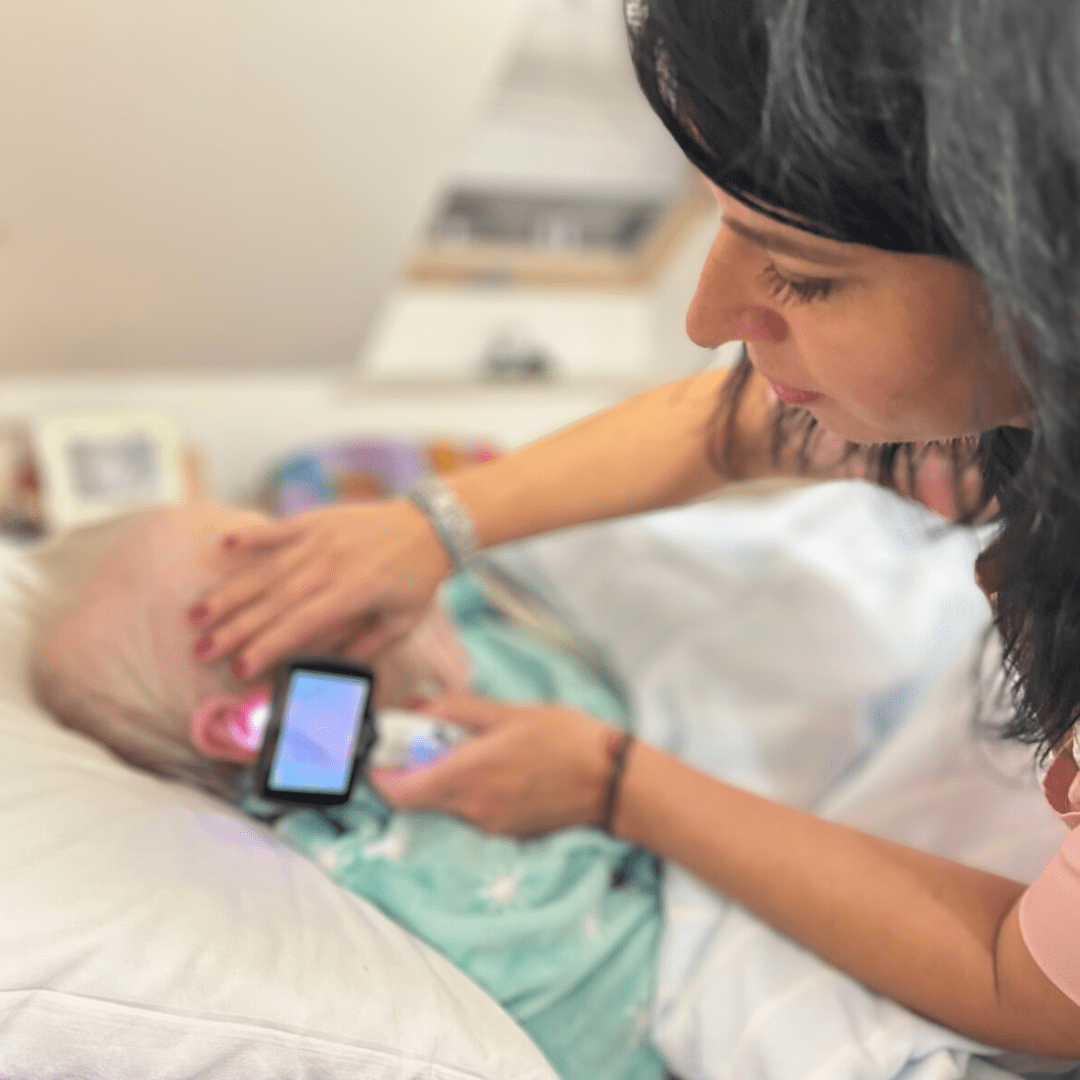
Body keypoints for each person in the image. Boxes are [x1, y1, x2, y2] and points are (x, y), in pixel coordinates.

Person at [187, 0, 1080, 1059]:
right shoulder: (985, 419)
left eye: (804, 273)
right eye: (716, 218)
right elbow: (728, 425)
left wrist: (618, 784)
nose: (704, 322)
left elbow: (1036, 987)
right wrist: (429, 526)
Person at [27, 500, 666, 1080]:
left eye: (287, 532)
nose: (333, 549)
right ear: (244, 724)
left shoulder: (447, 614)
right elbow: (627, 997)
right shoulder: (417, 866)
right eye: (272, 573)